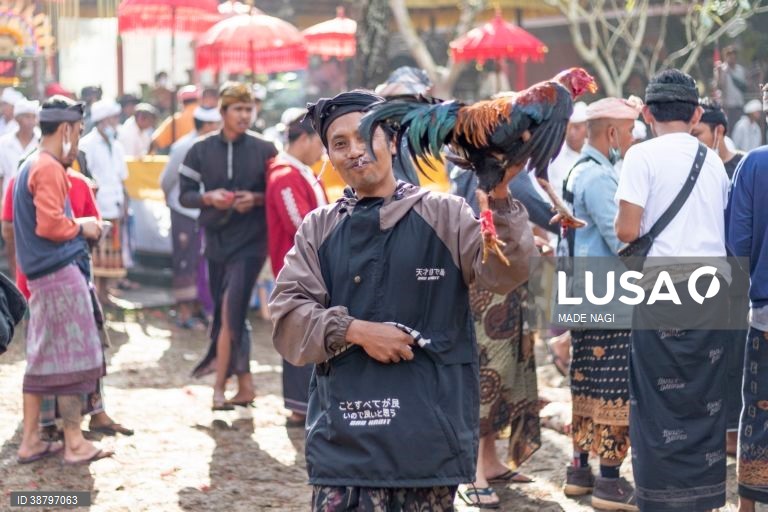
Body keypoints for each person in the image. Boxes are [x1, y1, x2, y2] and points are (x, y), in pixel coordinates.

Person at [270, 90, 535, 511]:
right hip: (345, 442)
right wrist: (356, 331)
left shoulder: (445, 216)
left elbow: (507, 272)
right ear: (330, 157)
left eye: (364, 136)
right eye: (339, 143)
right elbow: (288, 318)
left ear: (392, 142)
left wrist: (500, 194)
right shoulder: (319, 228)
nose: (354, 151)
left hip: (427, 440)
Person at [615, 69, 730, 511]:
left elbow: (627, 232)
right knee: (706, 398)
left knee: (655, 402)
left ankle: (661, 500)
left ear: (647, 113)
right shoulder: (713, 162)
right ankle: (703, 498)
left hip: (662, 290)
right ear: (697, 114)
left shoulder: (641, 156)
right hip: (712, 292)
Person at [13, 95, 113, 465]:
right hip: (59, 276)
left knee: (40, 361)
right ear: (67, 129)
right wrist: (84, 225)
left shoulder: (32, 164)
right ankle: (75, 442)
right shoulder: (48, 167)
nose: (78, 140)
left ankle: (30, 441)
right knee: (74, 359)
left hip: (42, 277)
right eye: (79, 131)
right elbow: (51, 225)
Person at [2, 170, 134, 440]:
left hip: (64, 278)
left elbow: (94, 227)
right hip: (47, 280)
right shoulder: (29, 179)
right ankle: (53, 426)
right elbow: (12, 227)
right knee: (50, 354)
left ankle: (75, 419)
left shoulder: (73, 182)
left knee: (68, 351)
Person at [561, 96, 643, 511]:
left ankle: (580, 471)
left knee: (586, 383)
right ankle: (609, 481)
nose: (631, 140)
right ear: (612, 134)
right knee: (613, 388)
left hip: (583, 292)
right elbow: (622, 242)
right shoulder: (600, 179)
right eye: (628, 132)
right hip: (608, 297)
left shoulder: (579, 171)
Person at [179, 82, 277, 410]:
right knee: (231, 312)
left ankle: (219, 388)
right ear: (223, 112)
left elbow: (277, 191)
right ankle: (245, 384)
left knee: (228, 309)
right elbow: (184, 194)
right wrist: (208, 198)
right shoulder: (200, 149)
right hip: (216, 240)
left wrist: (257, 198)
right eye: (238, 109)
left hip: (252, 241)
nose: (245, 115)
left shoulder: (265, 148)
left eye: (249, 109)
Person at [265, 108, 327, 427]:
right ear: (304, 139)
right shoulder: (285, 176)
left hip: (310, 268)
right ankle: (300, 406)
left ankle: (307, 403)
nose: (323, 151)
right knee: (298, 334)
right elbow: (300, 224)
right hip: (298, 271)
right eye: (321, 142)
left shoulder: (298, 171)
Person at [693, 98, 749, 456]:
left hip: (738, 277)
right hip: (701, 278)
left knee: (736, 355)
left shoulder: (743, 167)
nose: (693, 142)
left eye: (697, 134)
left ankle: (732, 431)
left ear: (719, 131)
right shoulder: (693, 168)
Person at [728, 82, 768, 512]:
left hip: (765, 312)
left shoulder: (754, 164)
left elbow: (737, 245)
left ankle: (748, 506)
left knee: (758, 407)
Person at [159, 106, 221, 329]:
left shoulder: (213, 145)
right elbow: (166, 180)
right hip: (183, 210)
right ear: (206, 125)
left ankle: (198, 308)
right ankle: (184, 314)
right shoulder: (183, 146)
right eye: (215, 124)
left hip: (203, 211)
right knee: (184, 259)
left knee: (200, 261)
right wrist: (172, 202)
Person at [80, 99, 130, 302]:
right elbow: (85, 177)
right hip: (97, 205)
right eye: (112, 119)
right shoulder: (87, 145)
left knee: (111, 251)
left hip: (115, 203)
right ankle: (96, 293)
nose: (115, 123)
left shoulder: (117, 146)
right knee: (97, 251)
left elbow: (121, 178)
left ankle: (105, 292)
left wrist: (125, 202)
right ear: (102, 120)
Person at [542, 101, 588, 201]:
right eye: (569, 127)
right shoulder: (554, 153)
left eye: (577, 128)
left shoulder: (592, 154)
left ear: (587, 128)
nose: (571, 133)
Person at [0, 99, 39, 207]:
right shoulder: (3, 143)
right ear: (17, 119)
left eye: (33, 117)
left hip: (34, 200)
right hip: (9, 201)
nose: (31, 121)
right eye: (27, 117)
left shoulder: (41, 141)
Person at [693, 99, 745, 179]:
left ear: (719, 131)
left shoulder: (744, 165)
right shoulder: (689, 166)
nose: (691, 140)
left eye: (696, 134)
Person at [152, 85, 199, 152]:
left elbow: (156, 141)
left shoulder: (175, 119)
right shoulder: (208, 118)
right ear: (199, 100)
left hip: (181, 156)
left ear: (181, 102)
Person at [715, 45, 749, 130]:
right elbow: (719, 86)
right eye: (729, 55)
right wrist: (719, 73)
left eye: (734, 56)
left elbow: (744, 86)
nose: (732, 58)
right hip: (727, 106)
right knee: (728, 128)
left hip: (739, 104)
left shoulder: (740, 70)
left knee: (740, 128)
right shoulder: (722, 69)